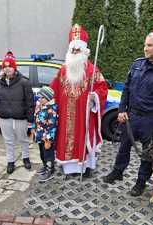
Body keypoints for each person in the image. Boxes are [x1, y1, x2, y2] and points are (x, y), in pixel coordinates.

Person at [102, 27, 153, 197]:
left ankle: (140, 183)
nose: (145, 48)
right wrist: (122, 110)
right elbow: (127, 89)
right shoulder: (137, 65)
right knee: (123, 147)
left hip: (151, 121)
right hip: (131, 117)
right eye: (145, 45)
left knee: (147, 154)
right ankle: (117, 172)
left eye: (150, 45)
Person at [50, 24, 108, 177]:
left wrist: (94, 97)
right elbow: (53, 89)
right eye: (73, 49)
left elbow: (102, 89)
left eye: (78, 49)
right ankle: (69, 168)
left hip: (84, 116)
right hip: (65, 115)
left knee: (85, 139)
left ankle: (86, 167)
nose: (75, 52)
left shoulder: (92, 70)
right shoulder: (63, 70)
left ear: (84, 50)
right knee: (66, 140)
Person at [0, 51, 35, 174]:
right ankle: (10, 161)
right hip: (4, 117)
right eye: (5, 67)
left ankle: (25, 158)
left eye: (10, 66)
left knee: (23, 139)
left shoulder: (24, 82)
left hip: (20, 117)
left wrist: (30, 119)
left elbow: (29, 102)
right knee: (8, 140)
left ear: (14, 68)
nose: (7, 69)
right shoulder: (0, 83)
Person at [34, 86, 58, 182]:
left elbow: (52, 126)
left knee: (48, 155)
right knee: (42, 154)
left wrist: (48, 139)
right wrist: (34, 130)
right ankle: (44, 166)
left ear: (48, 98)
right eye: (39, 97)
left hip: (47, 138)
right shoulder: (41, 107)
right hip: (40, 136)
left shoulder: (51, 110)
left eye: (42, 98)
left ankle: (50, 171)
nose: (40, 99)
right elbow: (36, 119)